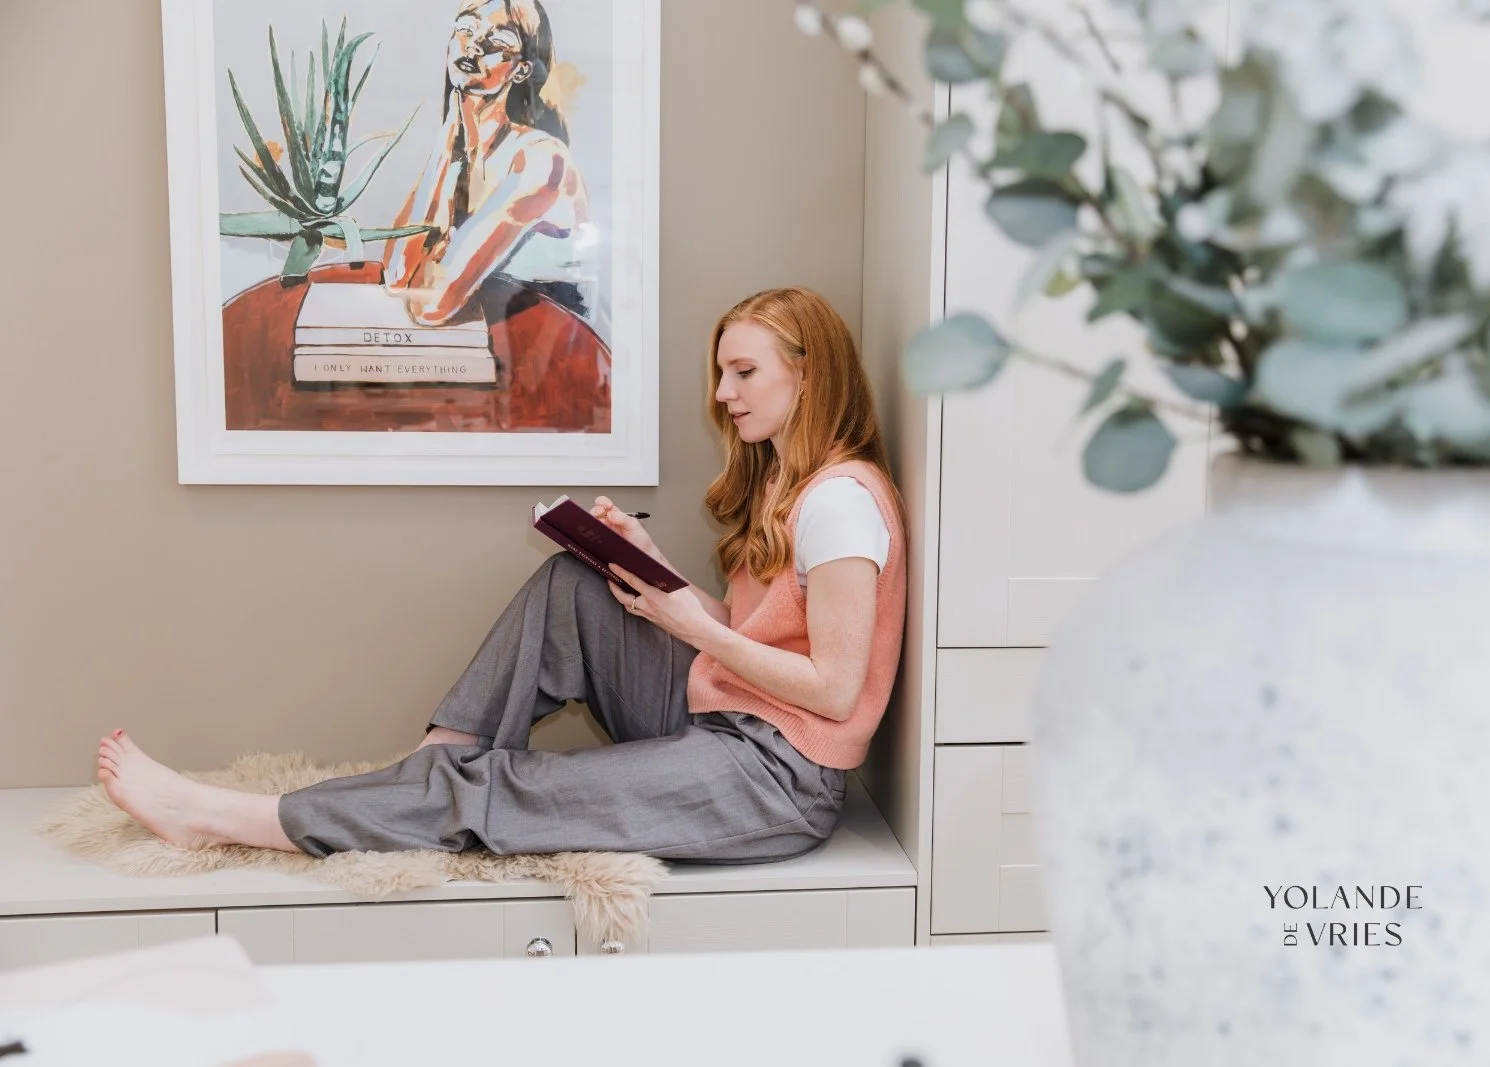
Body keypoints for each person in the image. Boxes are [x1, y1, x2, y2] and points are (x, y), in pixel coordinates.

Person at [96, 287, 908, 864]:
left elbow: (835, 693)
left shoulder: (839, 503)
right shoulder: (784, 482)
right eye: (722, 373)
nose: (722, 393)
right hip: (723, 714)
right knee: (576, 582)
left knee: (512, 789)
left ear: (807, 375)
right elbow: (751, 635)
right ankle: (435, 763)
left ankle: (226, 817)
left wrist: (692, 626)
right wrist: (661, 579)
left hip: (776, 780)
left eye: (743, 373)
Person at [383, 0, 595, 326]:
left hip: (557, 351)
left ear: (521, 69)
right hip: (489, 350)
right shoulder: (456, 158)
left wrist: (437, 263)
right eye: (466, 29)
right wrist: (445, 145)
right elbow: (397, 279)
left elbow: (429, 306)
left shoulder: (541, 160)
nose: (475, 46)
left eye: (497, 43)